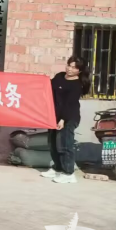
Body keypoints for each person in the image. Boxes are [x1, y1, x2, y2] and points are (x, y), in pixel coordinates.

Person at [42, 56, 91, 184]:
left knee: (64, 145)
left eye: (74, 67)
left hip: (69, 118)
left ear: (79, 71)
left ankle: (69, 173)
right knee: (53, 144)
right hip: (54, 116)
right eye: (69, 65)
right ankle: (57, 168)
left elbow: (70, 104)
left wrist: (63, 119)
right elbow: (48, 88)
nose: (70, 69)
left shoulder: (77, 85)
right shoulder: (59, 76)